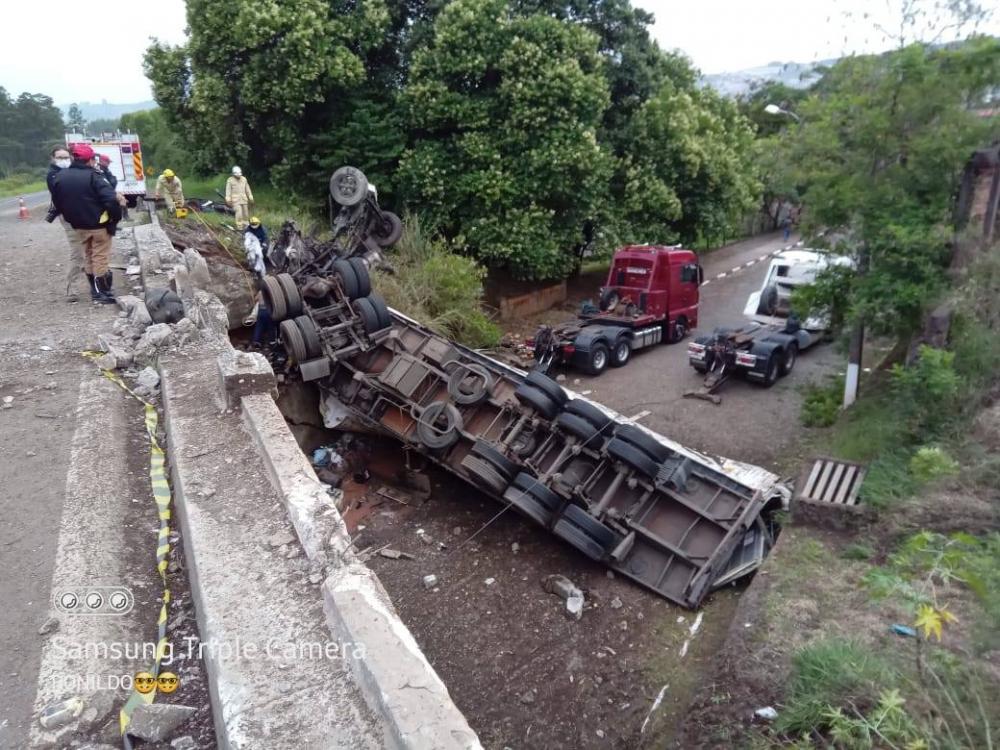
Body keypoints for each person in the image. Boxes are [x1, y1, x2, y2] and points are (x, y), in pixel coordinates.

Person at [50, 143, 122, 304]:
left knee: (88, 255)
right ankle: (103, 293)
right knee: (100, 257)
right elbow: (110, 199)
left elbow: (57, 202)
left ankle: (95, 292)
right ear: (89, 160)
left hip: (79, 226)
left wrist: (71, 219)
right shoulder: (94, 176)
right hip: (99, 225)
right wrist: (115, 218)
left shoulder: (61, 177)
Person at [45, 146, 85, 302]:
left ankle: (97, 284)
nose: (64, 160)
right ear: (53, 159)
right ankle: (71, 288)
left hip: (84, 216)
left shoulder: (72, 171)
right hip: (69, 218)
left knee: (90, 250)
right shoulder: (53, 176)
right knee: (77, 253)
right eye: (60, 157)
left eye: (66, 157)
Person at [225, 166, 254, 230]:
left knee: (246, 213)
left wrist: (250, 196)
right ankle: (239, 226)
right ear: (233, 174)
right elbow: (228, 190)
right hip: (235, 200)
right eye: (236, 174)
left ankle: (246, 224)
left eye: (239, 174)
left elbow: (247, 189)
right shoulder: (230, 180)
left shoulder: (244, 179)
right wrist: (228, 198)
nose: (238, 175)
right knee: (239, 213)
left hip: (244, 199)